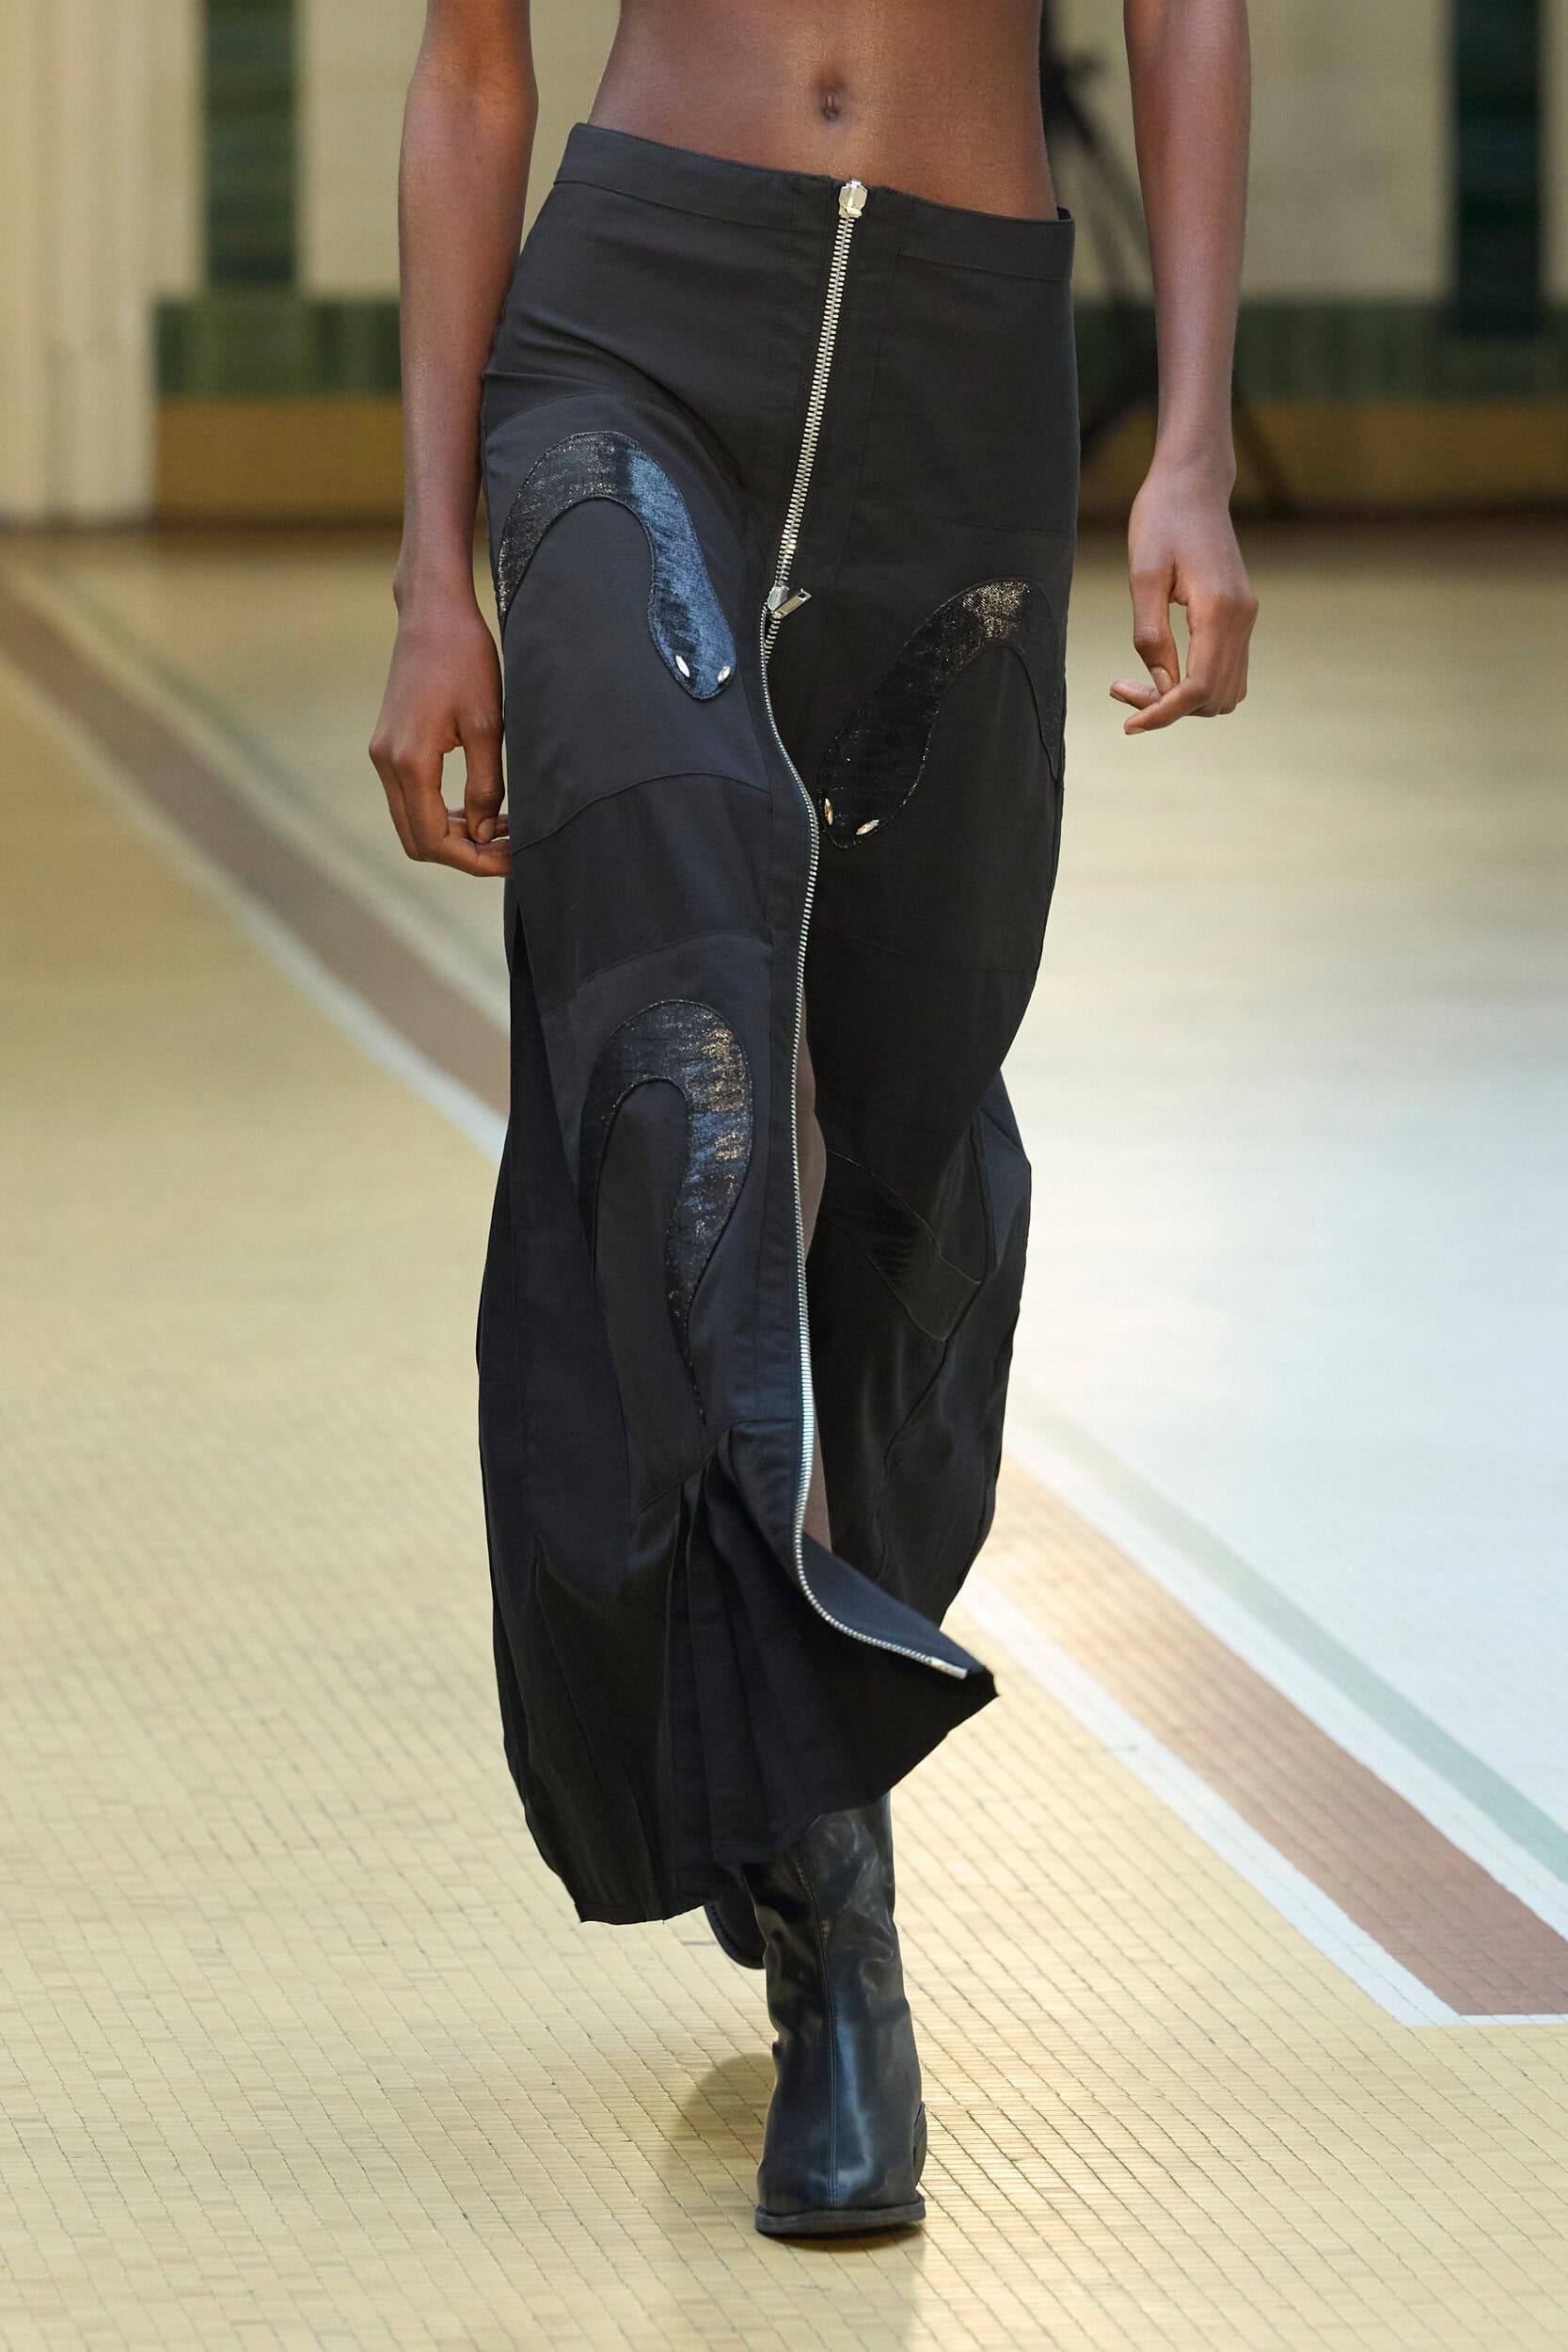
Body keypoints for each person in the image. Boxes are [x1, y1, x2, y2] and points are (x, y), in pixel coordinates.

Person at [370, 0, 1256, 2239]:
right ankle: (842, 1937)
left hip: (959, 371)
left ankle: (773, 1718)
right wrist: (428, 572)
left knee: (897, 1115)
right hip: (627, 354)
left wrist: (1193, 451)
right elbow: (470, 70)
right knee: (680, 1072)